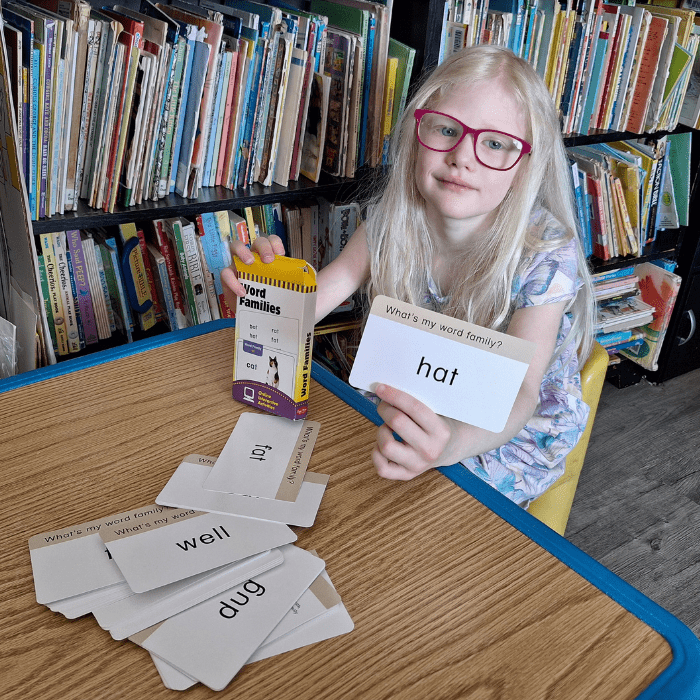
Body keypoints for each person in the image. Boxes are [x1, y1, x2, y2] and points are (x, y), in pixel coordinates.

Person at [222, 45, 596, 508]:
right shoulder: (391, 220)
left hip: (512, 432)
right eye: (446, 130)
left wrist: (452, 444)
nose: (463, 156)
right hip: (422, 398)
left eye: (495, 143)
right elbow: (316, 298)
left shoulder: (545, 254)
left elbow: (520, 394)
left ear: (525, 167)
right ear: (418, 134)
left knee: (414, 512)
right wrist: (270, 294)